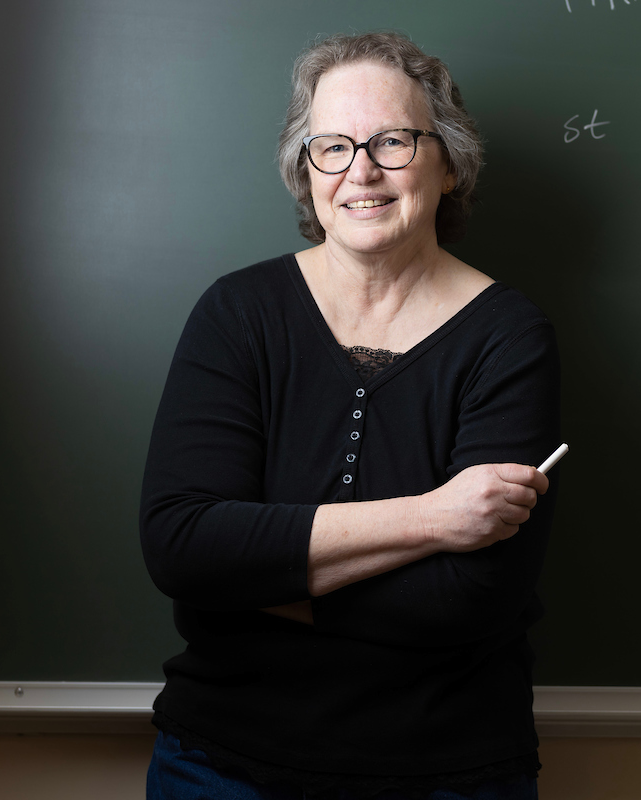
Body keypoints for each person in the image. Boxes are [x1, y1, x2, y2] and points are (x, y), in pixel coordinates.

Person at [140, 31, 560, 800]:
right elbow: (182, 547)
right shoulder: (238, 314)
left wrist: (252, 579)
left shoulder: (510, 336)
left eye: (392, 141)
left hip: (449, 772)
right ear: (306, 171)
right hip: (220, 763)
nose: (360, 171)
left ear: (447, 162)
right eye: (331, 146)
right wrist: (435, 520)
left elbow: (469, 600)